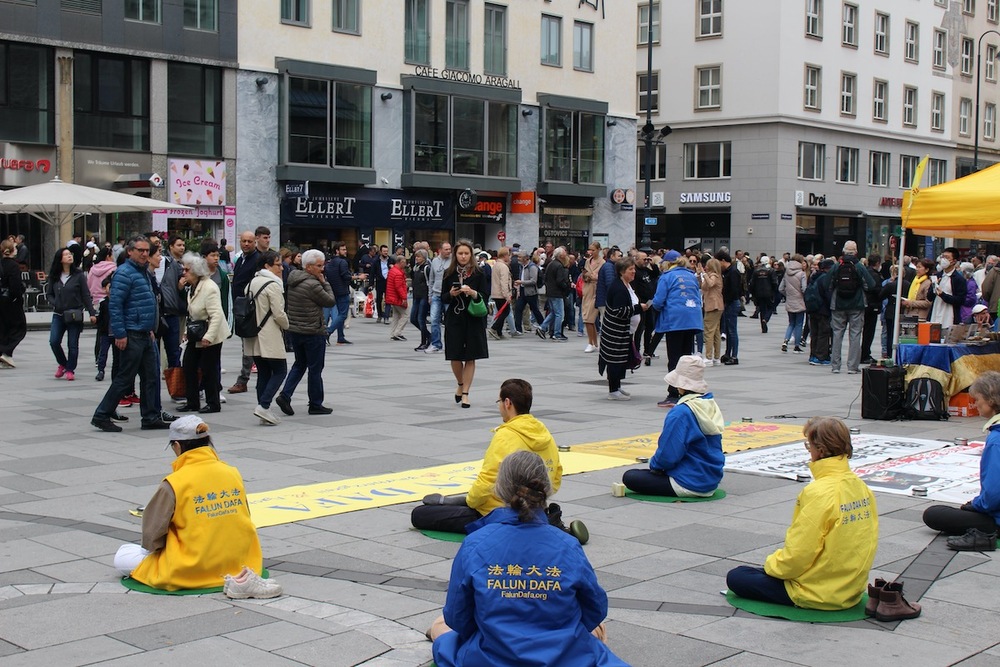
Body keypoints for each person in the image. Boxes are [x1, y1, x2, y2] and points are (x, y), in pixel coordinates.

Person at [427, 450, 626, 667]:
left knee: (442, 626)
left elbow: (457, 616)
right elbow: (595, 608)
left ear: (500, 488)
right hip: (564, 657)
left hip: (490, 658)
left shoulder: (476, 543)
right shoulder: (567, 544)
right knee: (597, 629)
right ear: (546, 489)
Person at [112, 416, 281, 597]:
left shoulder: (174, 483)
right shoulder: (232, 472)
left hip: (191, 566)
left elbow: (152, 534)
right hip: (239, 561)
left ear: (177, 445)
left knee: (122, 556)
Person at [726, 417, 879, 611]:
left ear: (820, 450)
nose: (809, 451)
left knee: (737, 576)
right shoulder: (860, 485)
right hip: (851, 587)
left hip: (818, 591)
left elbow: (799, 555)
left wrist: (772, 565)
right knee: (756, 572)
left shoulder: (819, 492)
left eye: (809, 445)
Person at [91, 236, 168, 433]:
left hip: (144, 332)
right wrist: (120, 333)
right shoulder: (125, 273)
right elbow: (115, 305)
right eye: (140, 250)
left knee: (151, 376)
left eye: (146, 251)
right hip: (132, 334)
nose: (144, 254)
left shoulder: (142, 273)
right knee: (125, 377)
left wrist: (149, 327)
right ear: (130, 252)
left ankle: (151, 416)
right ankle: (102, 415)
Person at [622, 355, 724, 496]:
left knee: (631, 476)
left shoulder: (681, 412)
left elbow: (668, 454)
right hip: (711, 479)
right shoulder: (709, 404)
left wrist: (655, 466)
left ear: (679, 385)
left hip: (688, 482)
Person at [923, 371, 1000, 550]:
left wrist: (976, 505)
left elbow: (994, 494)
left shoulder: (996, 440)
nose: (975, 403)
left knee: (934, 514)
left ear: (990, 400)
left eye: (977, 399)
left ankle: (990, 532)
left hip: (996, 517)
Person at [276, 249, 335, 416]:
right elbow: (330, 301)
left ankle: (285, 395)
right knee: (315, 368)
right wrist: (325, 282)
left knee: (300, 364)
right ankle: (315, 403)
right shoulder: (313, 284)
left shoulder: (293, 279)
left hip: (296, 329)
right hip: (312, 331)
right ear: (308, 267)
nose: (322, 269)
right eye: (319, 266)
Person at [651, 250, 704, 407]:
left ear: (667, 263)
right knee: (686, 358)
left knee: (674, 358)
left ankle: (673, 393)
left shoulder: (666, 277)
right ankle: (687, 392)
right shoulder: (691, 275)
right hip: (693, 318)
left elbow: (658, 301)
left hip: (675, 320)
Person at [244, 250, 290, 426]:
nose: (282, 268)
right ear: (267, 266)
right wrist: (287, 325)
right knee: (280, 370)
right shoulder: (273, 285)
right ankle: (264, 406)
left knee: (263, 372)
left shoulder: (252, 283)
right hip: (269, 333)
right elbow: (279, 313)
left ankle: (263, 408)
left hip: (253, 334)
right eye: (278, 265)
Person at [442, 239, 489, 409]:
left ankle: (466, 393)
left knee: (471, 356)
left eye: (466, 253)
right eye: (460, 253)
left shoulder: (479, 273)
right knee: (454, 355)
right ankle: (461, 384)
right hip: (454, 318)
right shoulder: (449, 273)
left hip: (473, 319)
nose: (463, 256)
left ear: (471, 255)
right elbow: (443, 298)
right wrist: (451, 293)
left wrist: (473, 293)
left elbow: (485, 295)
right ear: (455, 255)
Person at [178, 252, 226, 415]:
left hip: (210, 333)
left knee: (209, 369)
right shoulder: (192, 287)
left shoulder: (209, 287)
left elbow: (216, 314)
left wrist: (209, 337)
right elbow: (192, 314)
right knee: (189, 365)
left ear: (196, 272)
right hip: (196, 333)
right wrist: (186, 331)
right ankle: (192, 402)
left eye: (187, 270)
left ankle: (213, 403)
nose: (183, 272)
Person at [822, 241, 876, 374]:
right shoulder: (859, 266)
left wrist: (833, 288)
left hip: (838, 304)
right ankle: (852, 366)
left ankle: (835, 365)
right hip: (857, 304)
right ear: (856, 252)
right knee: (855, 334)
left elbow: (825, 283)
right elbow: (872, 284)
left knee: (837, 334)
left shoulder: (837, 266)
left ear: (843, 252)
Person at [599, 258, 649, 400]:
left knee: (622, 360)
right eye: (630, 269)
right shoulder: (618, 288)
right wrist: (640, 308)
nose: (634, 272)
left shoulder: (626, 285)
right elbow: (619, 311)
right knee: (615, 360)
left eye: (634, 268)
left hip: (625, 331)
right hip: (616, 332)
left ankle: (617, 386)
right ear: (622, 272)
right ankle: (613, 390)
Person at [46, 248, 97, 382]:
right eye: (66, 255)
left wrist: (92, 312)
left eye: (70, 254)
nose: (69, 256)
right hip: (58, 314)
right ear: (60, 259)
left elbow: (86, 295)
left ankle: (70, 369)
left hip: (75, 314)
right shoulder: (55, 275)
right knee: (54, 341)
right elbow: (49, 294)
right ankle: (63, 363)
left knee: (72, 344)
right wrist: (55, 303)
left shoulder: (78, 275)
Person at [229, 226, 270, 394]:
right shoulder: (241, 259)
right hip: (241, 307)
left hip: (251, 307)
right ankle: (255, 377)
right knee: (248, 344)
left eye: (249, 242)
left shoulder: (257, 260)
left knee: (249, 344)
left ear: (255, 242)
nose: (246, 244)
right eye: (243, 241)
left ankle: (244, 379)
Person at [325, 241, 359, 346]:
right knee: (343, 315)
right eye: (343, 249)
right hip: (342, 291)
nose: (345, 251)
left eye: (345, 249)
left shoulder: (329, 263)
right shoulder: (342, 262)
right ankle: (328, 332)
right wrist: (358, 277)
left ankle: (341, 337)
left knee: (339, 314)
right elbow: (346, 277)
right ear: (337, 251)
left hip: (333, 290)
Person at [0, 238, 26, 368]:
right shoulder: (13, 266)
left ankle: (4, 353)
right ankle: (6, 352)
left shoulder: (1, 264)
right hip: (11, 302)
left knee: (3, 328)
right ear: (12, 250)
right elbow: (15, 286)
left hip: (1, 300)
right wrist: (20, 295)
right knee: (20, 328)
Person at [537, 247, 571, 341]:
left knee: (553, 312)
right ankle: (557, 333)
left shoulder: (551, 264)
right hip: (557, 293)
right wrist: (566, 286)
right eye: (564, 253)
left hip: (550, 292)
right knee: (560, 314)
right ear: (561, 255)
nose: (565, 254)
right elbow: (560, 281)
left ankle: (542, 327)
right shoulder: (559, 266)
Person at [928, 247, 967, 327]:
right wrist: (933, 287)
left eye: (947, 258)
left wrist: (943, 295)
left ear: (954, 261)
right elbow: (929, 297)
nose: (943, 260)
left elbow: (960, 300)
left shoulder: (959, 279)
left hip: (949, 314)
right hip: (935, 312)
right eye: (943, 257)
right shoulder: (937, 276)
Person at [716, 250, 742, 365]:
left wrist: (726, 301)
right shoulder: (728, 271)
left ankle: (734, 355)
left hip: (731, 303)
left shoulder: (733, 272)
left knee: (732, 330)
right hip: (728, 303)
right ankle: (728, 353)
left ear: (723, 261)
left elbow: (734, 290)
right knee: (728, 330)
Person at [778, 254, 808, 354]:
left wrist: (788, 295)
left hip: (790, 300)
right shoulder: (802, 274)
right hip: (799, 301)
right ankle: (797, 345)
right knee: (799, 324)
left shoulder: (787, 273)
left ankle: (785, 341)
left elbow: (781, 288)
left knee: (791, 323)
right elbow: (804, 288)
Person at [426, 242, 452, 354]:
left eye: (449, 249)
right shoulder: (435, 261)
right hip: (436, 294)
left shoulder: (453, 261)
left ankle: (451, 344)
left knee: (450, 321)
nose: (448, 251)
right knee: (434, 320)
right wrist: (430, 295)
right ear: (440, 250)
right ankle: (436, 344)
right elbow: (431, 279)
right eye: (446, 249)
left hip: (448, 294)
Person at [700, 257, 724, 365]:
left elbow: (710, 284)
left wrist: (704, 274)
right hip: (716, 305)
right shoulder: (713, 276)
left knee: (709, 331)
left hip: (713, 305)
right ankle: (716, 357)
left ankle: (709, 357)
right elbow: (704, 287)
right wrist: (700, 276)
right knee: (715, 332)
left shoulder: (714, 276)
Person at [581, 242, 604, 353]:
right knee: (587, 319)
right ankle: (593, 342)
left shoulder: (602, 262)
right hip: (587, 290)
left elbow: (599, 277)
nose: (591, 252)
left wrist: (591, 276)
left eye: (593, 250)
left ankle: (592, 343)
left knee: (589, 318)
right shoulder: (587, 261)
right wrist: (588, 276)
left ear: (599, 249)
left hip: (596, 291)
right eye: (590, 250)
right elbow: (584, 274)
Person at [488, 246, 515, 340]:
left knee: (501, 312)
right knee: (505, 312)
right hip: (501, 294)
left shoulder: (496, 265)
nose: (510, 257)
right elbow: (504, 282)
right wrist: (507, 295)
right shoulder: (503, 267)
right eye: (509, 255)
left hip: (495, 293)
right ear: (505, 255)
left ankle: (499, 332)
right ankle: (494, 328)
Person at [410, 248, 432, 351]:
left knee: (421, 319)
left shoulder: (427, 268)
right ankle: (429, 336)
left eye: (418, 257)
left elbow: (429, 283)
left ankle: (424, 341)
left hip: (424, 296)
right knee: (413, 318)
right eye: (416, 256)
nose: (417, 258)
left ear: (424, 258)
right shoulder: (415, 268)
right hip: (416, 296)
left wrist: (429, 296)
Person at [386, 255, 410, 341]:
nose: (406, 264)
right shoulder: (398, 273)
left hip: (392, 297)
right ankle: (397, 333)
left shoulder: (392, 271)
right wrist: (404, 298)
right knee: (405, 315)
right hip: (397, 298)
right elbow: (399, 287)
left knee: (396, 315)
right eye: (404, 262)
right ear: (401, 262)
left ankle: (393, 333)